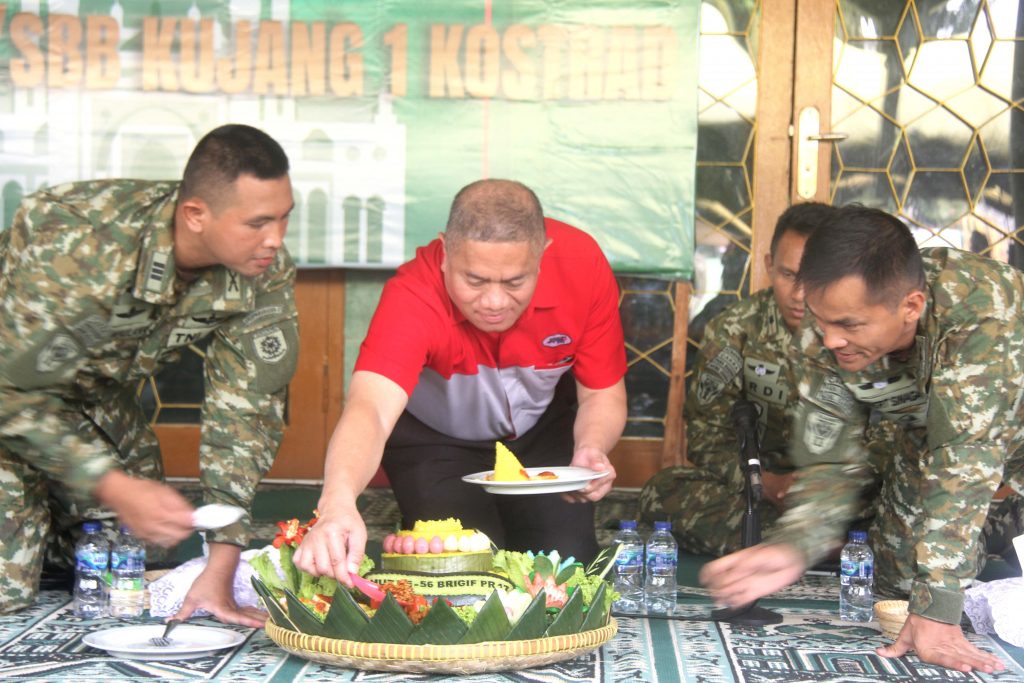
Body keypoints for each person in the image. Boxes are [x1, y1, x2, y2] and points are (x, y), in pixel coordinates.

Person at [700, 205, 1024, 674]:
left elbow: (964, 459)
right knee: (898, 581)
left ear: (910, 306)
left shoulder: (983, 314)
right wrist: (796, 543)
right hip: (935, 436)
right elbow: (831, 457)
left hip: (989, 437)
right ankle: (992, 527)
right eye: (821, 320)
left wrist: (938, 609)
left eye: (849, 326)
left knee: (935, 597)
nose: (830, 340)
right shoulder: (826, 325)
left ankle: (1002, 521)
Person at [0, 124, 299, 627]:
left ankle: (50, 530)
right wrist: (111, 484)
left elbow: (249, 410)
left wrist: (220, 565)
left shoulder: (261, 268)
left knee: (134, 560)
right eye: (258, 223)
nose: (276, 239)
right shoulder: (77, 243)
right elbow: (13, 392)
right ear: (196, 215)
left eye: (285, 219)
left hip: (90, 397)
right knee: (9, 587)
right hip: (13, 390)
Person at [294, 179, 627, 583]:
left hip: (540, 434)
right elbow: (371, 409)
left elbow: (601, 393)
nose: (494, 302)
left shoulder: (583, 265)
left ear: (543, 256)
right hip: (435, 442)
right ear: (445, 254)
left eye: (514, 282)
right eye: (475, 280)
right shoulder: (412, 294)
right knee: (465, 571)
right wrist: (338, 503)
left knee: (566, 568)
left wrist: (591, 449)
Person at [638, 203, 850, 555]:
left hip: (845, 493)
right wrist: (766, 484)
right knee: (664, 490)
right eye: (787, 275)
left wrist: (831, 490)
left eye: (814, 277)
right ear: (768, 266)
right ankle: (817, 547)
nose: (799, 294)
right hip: (758, 491)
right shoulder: (735, 330)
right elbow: (707, 437)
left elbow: (886, 438)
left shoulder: (860, 326)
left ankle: (805, 542)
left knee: (903, 511)